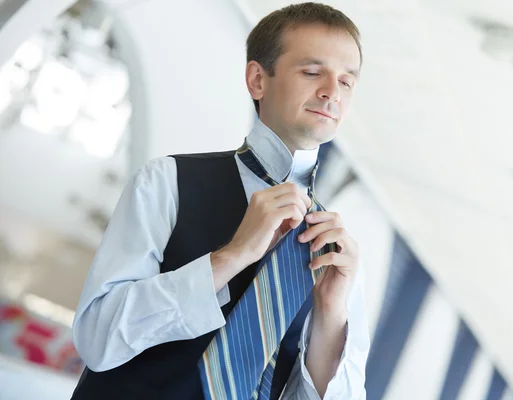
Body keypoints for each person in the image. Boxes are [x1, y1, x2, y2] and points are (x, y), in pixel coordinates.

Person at [70, 2, 369, 399]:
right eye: (313, 72)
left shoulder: (333, 248)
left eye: (347, 81)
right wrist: (230, 257)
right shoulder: (167, 183)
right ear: (258, 80)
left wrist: (331, 315)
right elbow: (96, 339)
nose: (332, 92)